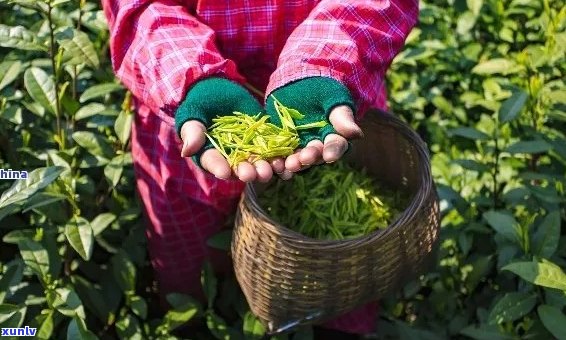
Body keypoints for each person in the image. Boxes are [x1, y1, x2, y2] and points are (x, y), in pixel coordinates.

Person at [101, 0, 418, 336]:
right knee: (191, 272)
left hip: (327, 107)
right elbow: (139, 8)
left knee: (334, 270)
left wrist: (322, 67)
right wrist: (196, 80)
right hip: (185, 116)